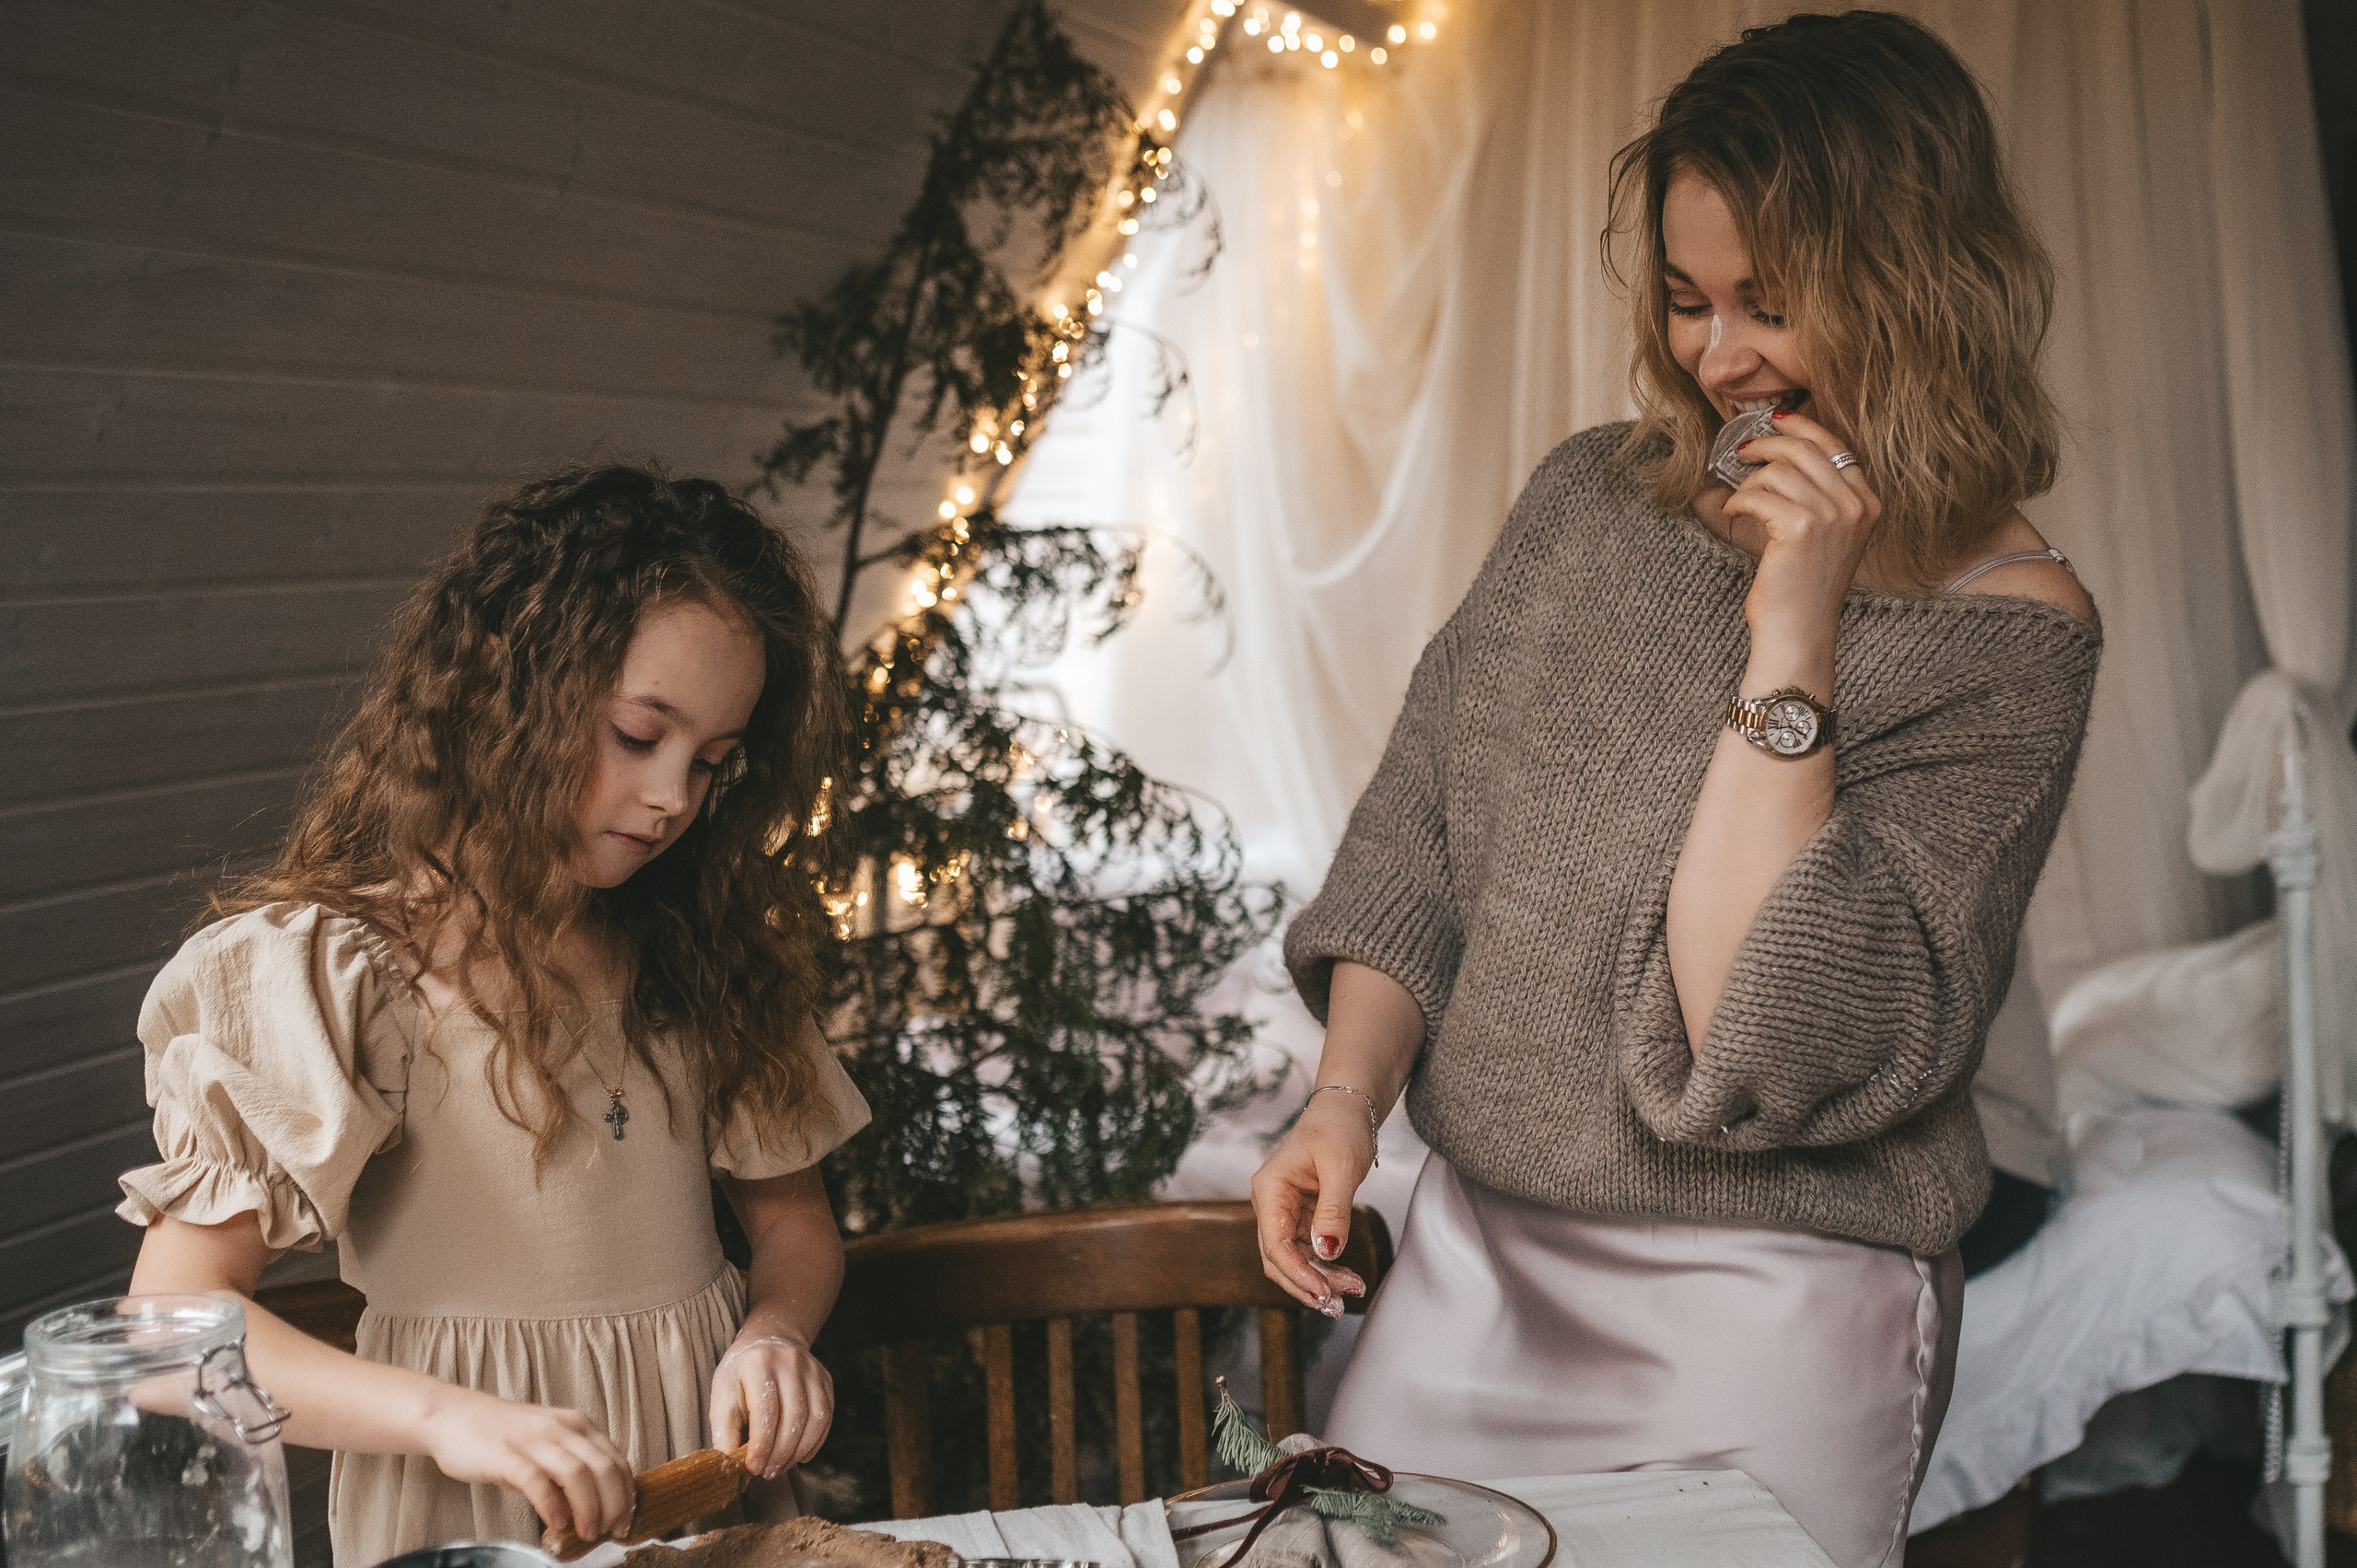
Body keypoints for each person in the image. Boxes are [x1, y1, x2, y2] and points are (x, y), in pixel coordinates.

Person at [1248, 13, 2098, 1568]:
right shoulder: (1589, 498)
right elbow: (1420, 829)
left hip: (1776, 1307)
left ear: (1917, 285)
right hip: (1473, 1263)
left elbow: (1764, 1037)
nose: (1718, 360)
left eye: (1771, 304)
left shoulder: (2016, 638)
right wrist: (1345, 1100)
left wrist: (1795, 629)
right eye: (1690, 300)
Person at [119, 467, 871, 1563]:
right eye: (637, 735)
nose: (674, 797)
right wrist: (449, 1418)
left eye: (711, 762)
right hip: (465, 1506)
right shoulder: (336, 972)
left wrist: (775, 1330)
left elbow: (794, 1222)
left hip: (703, 1485)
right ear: (497, 692)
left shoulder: (702, 953)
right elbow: (168, 1330)